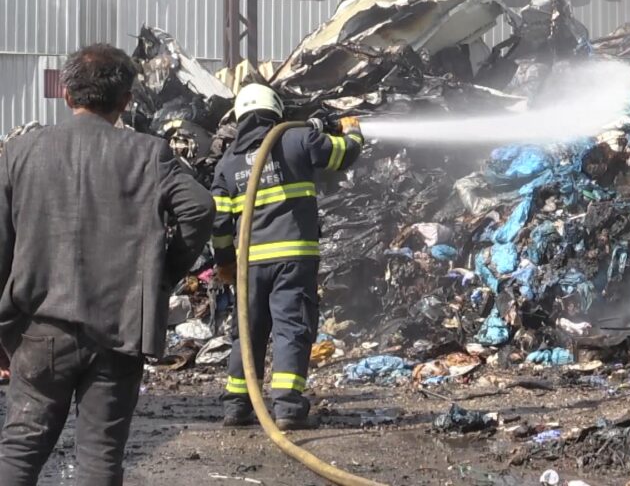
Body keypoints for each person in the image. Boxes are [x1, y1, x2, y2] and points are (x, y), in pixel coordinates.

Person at [0, 44, 215, 485]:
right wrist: (160, 276)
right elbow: (199, 208)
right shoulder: (150, 154)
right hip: (118, 331)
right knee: (100, 459)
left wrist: (2, 329)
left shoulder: (19, 152)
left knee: (19, 452)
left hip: (40, 330)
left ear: (66, 94)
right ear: (126, 101)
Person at [212, 84, 363, 430]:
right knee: (291, 328)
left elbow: (218, 222)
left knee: (246, 331)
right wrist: (352, 131)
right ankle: (288, 408)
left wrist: (224, 262)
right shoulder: (296, 138)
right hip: (293, 259)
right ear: (276, 109)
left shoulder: (228, 162)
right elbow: (341, 155)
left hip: (248, 265)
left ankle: (237, 406)